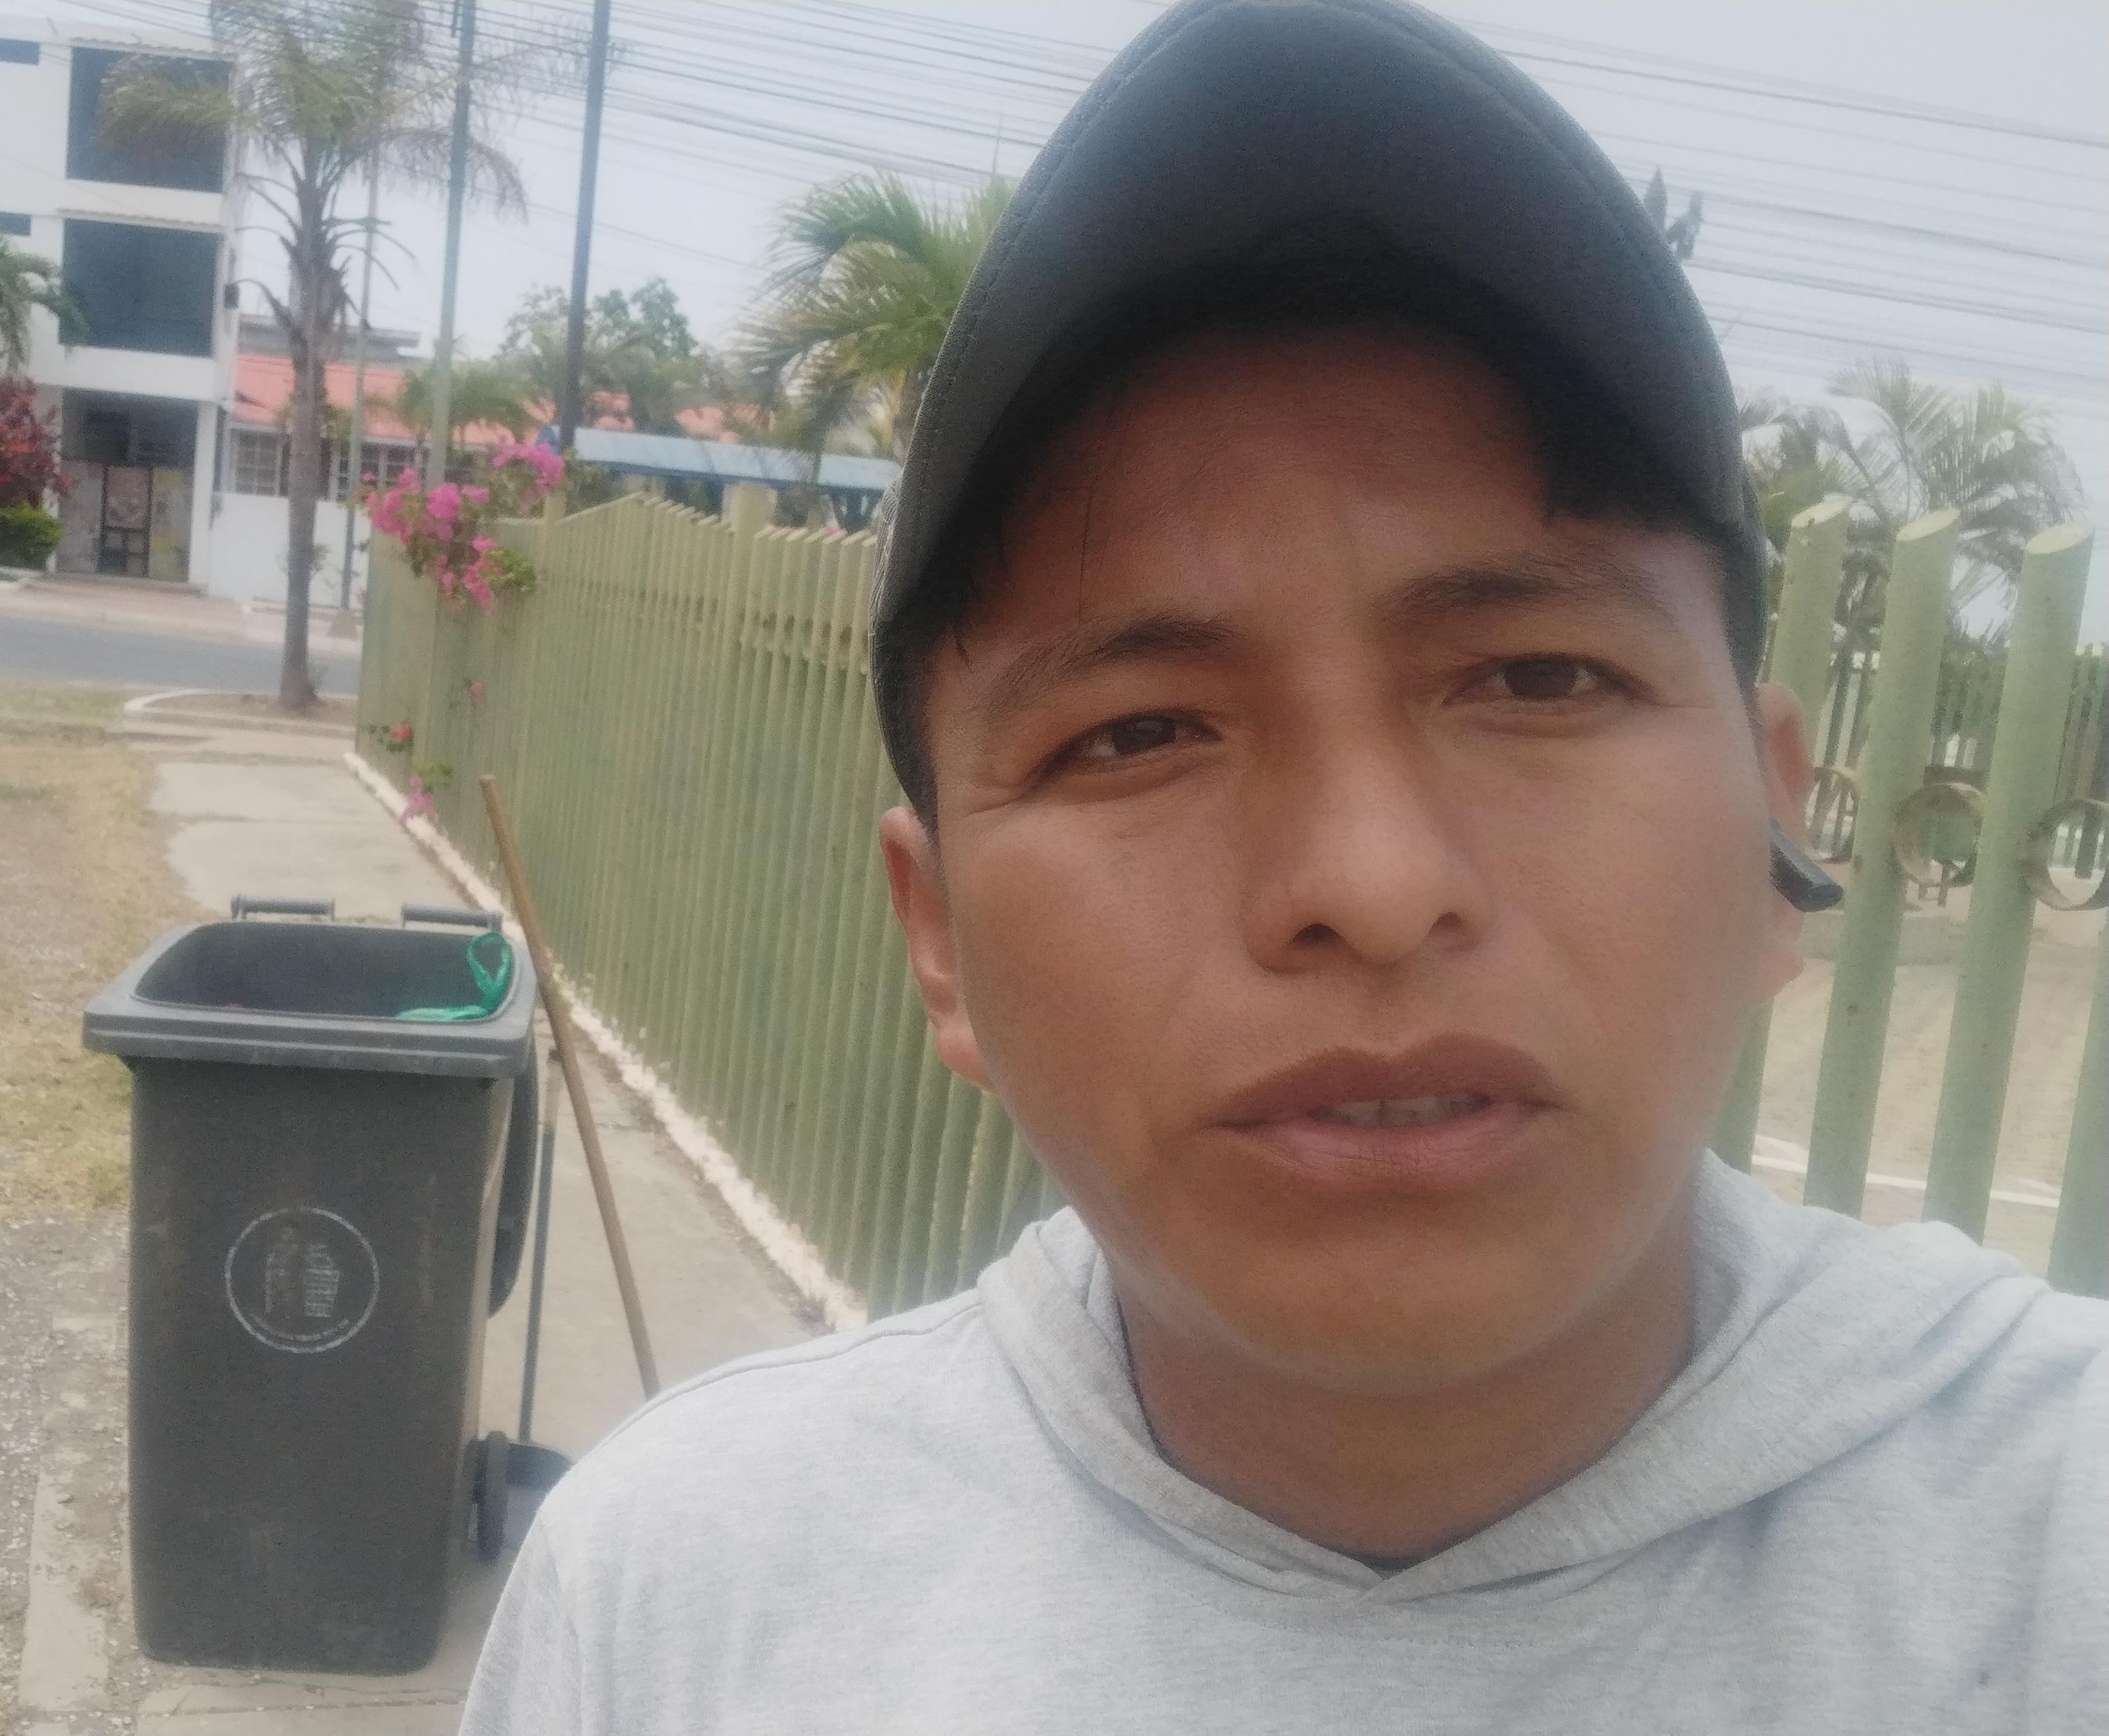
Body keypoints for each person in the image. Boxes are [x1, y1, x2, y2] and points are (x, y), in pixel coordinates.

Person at [457, 1, 2107, 1730]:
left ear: (1775, 840)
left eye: (1538, 679)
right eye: (1137, 733)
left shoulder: (2056, 1540)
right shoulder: (675, 1605)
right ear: (938, 939)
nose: (1372, 884)